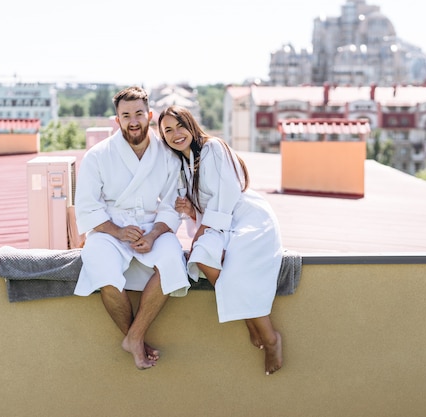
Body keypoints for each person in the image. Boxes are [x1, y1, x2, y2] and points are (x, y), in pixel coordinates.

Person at [158, 105, 284, 375]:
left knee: (234, 266)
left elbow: (227, 193)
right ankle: (251, 318)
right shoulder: (182, 165)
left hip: (246, 218)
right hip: (218, 225)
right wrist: (192, 212)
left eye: (180, 125)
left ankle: (270, 337)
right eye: (167, 130)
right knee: (201, 256)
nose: (175, 133)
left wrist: (203, 229)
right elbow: (205, 207)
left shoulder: (213, 148)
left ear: (191, 125)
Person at [74, 86, 190, 370]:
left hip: (153, 226)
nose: (134, 120)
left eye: (139, 113)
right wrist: (117, 231)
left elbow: (171, 205)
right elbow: (87, 207)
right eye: (126, 115)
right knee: (103, 271)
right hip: (109, 230)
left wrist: (152, 234)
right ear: (117, 120)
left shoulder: (167, 155)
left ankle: (134, 336)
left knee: (172, 260)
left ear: (149, 114)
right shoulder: (97, 156)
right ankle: (135, 338)